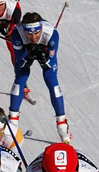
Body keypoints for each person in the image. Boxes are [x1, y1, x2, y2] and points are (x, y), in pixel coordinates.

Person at [8, 11, 70, 143]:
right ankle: (12, 121)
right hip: (25, 50)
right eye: (29, 34)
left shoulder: (52, 34)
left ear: (41, 29)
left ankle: (62, 124)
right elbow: (19, 61)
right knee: (20, 79)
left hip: (45, 47)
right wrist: (28, 57)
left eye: (36, 33)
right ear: (23, 30)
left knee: (51, 80)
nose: (34, 37)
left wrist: (43, 58)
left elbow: (50, 62)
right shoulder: (16, 33)